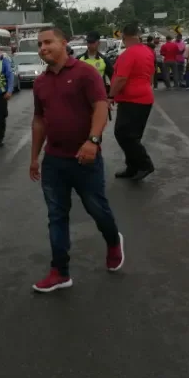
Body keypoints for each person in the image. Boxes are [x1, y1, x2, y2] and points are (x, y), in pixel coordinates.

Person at [29, 26, 124, 293]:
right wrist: (34, 157)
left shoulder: (85, 73)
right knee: (56, 215)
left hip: (85, 159)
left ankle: (113, 241)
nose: (42, 48)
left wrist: (93, 141)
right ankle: (60, 271)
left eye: (48, 42)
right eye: (39, 44)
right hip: (54, 161)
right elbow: (39, 121)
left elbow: (101, 106)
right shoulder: (41, 82)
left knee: (96, 208)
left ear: (63, 43)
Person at [110, 23, 155, 181]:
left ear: (124, 37)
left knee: (124, 134)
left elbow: (121, 78)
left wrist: (110, 96)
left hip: (132, 100)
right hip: (143, 97)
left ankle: (144, 164)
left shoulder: (129, 54)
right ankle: (132, 166)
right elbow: (150, 74)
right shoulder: (147, 51)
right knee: (133, 135)